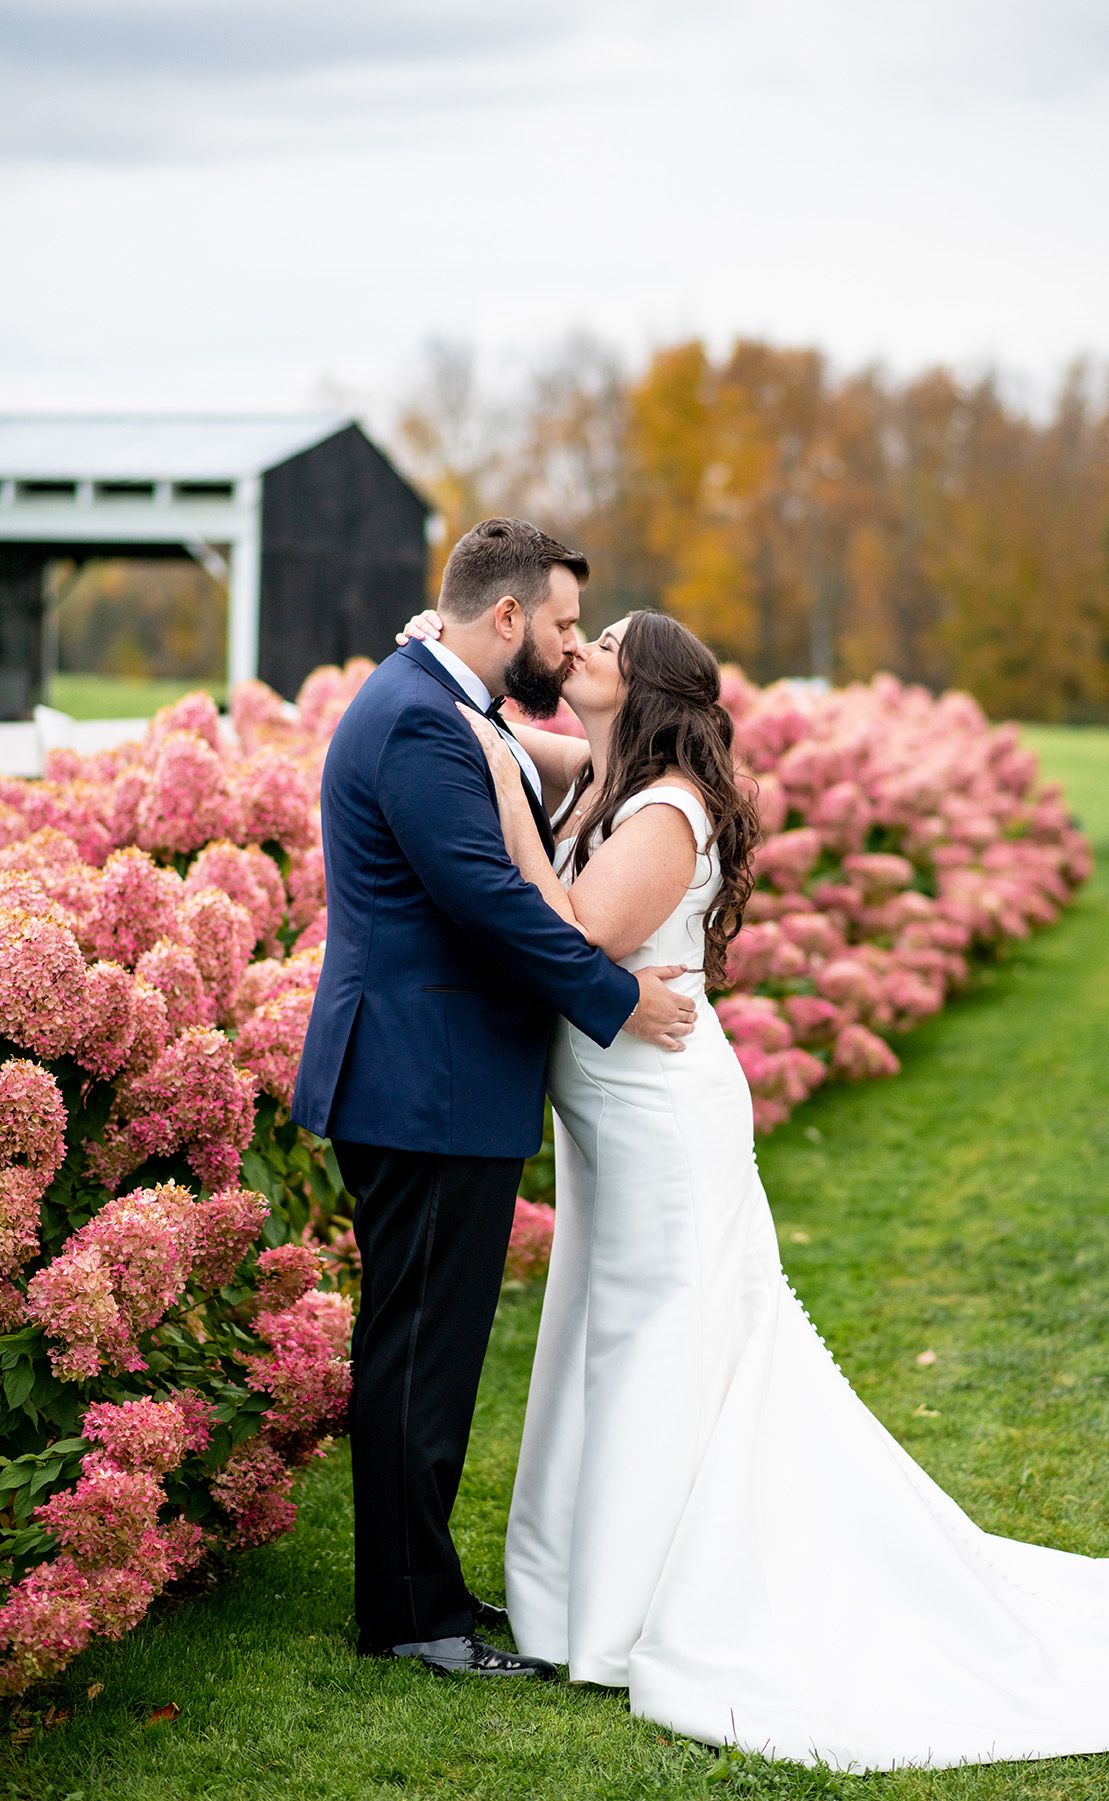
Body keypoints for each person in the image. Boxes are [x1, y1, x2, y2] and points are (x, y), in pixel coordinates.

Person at [397, 600, 1109, 1772]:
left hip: (661, 1121)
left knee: (660, 1340)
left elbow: (571, 927)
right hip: (611, 1117)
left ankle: (631, 1605)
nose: (580, 650)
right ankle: (579, 1592)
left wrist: (502, 792)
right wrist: (448, 667)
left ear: (646, 687)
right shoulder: (609, 772)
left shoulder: (665, 810)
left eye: (604, 645)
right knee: (603, 1331)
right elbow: (518, 736)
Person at [291, 519, 696, 1681]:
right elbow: (487, 899)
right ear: (506, 615)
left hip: (433, 1075)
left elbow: (535, 783)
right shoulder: (422, 715)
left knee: (429, 1344)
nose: (571, 645)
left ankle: (418, 1587)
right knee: (420, 1350)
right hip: (422, 1079)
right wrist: (617, 998)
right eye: (563, 622)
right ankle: (413, 1616)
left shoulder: (447, 697)